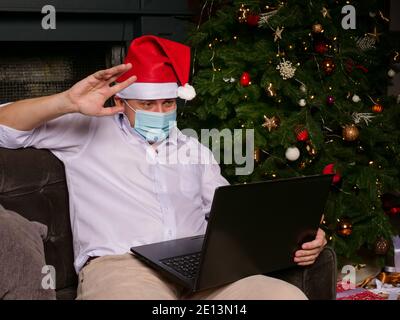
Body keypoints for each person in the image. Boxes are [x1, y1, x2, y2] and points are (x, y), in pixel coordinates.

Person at [0, 35, 326, 300]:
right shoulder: (85, 131)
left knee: (285, 297)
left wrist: (301, 236)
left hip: (203, 270)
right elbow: (6, 128)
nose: (159, 112)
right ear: (122, 102)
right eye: (146, 105)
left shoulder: (193, 149)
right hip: (123, 267)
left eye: (167, 104)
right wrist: (67, 102)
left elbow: (231, 214)